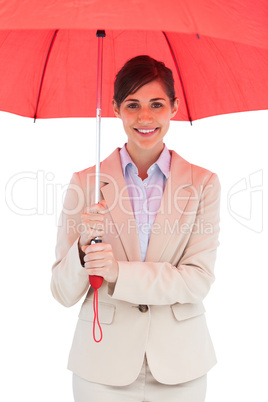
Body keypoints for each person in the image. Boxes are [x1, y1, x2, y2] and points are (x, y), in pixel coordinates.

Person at [51, 55, 220, 402]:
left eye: (156, 104)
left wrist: (117, 272)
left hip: (180, 367)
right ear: (115, 108)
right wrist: (83, 250)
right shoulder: (86, 183)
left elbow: (197, 280)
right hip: (101, 367)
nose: (145, 117)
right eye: (133, 105)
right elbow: (62, 292)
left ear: (174, 106)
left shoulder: (203, 184)